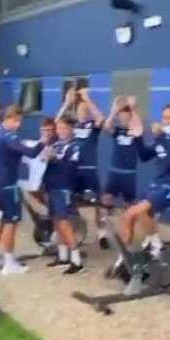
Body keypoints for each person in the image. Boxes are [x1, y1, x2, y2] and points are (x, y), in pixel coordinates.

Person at [115, 104, 170, 274]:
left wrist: (160, 137)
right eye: (164, 117)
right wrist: (138, 137)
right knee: (129, 216)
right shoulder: (162, 136)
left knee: (139, 212)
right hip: (156, 184)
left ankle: (156, 246)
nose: (166, 121)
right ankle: (124, 258)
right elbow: (144, 156)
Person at [0, 104, 47, 275]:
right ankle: (9, 263)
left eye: (19, 121)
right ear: (8, 118)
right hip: (7, 185)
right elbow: (30, 153)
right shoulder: (8, 136)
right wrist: (43, 141)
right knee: (11, 222)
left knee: (2, 221)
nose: (18, 124)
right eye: (16, 121)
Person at [43, 116, 84, 274]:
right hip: (52, 187)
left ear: (71, 129)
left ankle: (77, 261)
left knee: (64, 223)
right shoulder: (56, 144)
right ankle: (63, 256)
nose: (60, 131)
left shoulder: (75, 146)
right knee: (56, 222)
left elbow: (72, 169)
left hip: (64, 188)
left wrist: (55, 160)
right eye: (59, 128)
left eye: (64, 128)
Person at [68, 87, 108, 249]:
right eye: (80, 110)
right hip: (74, 170)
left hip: (89, 169)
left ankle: (102, 234)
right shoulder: (72, 126)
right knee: (71, 201)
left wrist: (87, 99)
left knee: (98, 203)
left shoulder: (92, 125)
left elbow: (101, 118)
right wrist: (67, 103)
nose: (82, 112)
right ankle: (76, 229)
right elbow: (57, 123)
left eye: (85, 110)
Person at [102, 96, 141, 210]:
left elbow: (138, 129)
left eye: (126, 117)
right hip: (115, 171)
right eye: (122, 117)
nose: (124, 119)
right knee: (106, 198)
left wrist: (133, 108)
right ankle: (108, 217)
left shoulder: (136, 131)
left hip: (129, 173)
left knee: (129, 203)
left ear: (130, 117)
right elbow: (107, 126)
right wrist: (113, 111)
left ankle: (128, 219)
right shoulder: (117, 131)